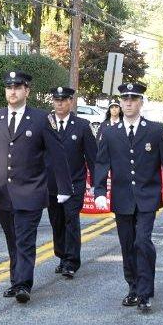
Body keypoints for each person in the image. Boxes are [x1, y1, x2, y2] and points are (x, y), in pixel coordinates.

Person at [0, 70, 73, 304]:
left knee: (25, 239)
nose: (12, 92)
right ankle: (15, 279)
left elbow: (57, 155)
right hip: (3, 192)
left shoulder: (40, 119)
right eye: (9, 87)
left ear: (26, 91)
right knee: (12, 239)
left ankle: (23, 284)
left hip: (31, 191)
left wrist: (64, 187)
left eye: (17, 87)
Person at [94, 82, 163, 313]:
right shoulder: (110, 132)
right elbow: (101, 163)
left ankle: (144, 292)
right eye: (125, 99)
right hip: (122, 198)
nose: (129, 103)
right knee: (127, 245)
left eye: (133, 99)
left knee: (142, 242)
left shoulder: (154, 130)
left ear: (141, 102)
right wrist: (99, 191)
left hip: (147, 197)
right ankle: (132, 287)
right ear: (120, 103)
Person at [46, 86, 97, 279]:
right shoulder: (45, 123)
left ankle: (71, 261)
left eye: (63, 100)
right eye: (56, 100)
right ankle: (62, 256)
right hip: (52, 183)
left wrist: (95, 183)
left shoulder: (82, 125)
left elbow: (92, 156)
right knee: (56, 221)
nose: (59, 103)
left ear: (70, 102)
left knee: (71, 220)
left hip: (74, 182)